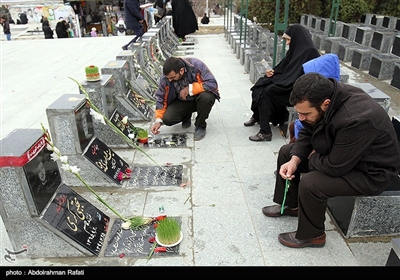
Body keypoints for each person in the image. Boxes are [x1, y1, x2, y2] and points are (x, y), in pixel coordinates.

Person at [262, 72, 400, 248]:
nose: (301, 118)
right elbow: (306, 129)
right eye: (299, 113)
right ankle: (291, 205)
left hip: (370, 171)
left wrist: (312, 157)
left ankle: (313, 235)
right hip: (343, 152)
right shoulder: (326, 98)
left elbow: (335, 167)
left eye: (305, 113)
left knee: (312, 183)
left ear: (325, 104)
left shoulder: (357, 118)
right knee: (287, 152)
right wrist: (295, 160)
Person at [244, 24, 320, 141]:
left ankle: (265, 132)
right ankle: (257, 116)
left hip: (298, 90)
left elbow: (298, 76)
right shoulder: (296, 50)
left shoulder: (310, 52)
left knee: (266, 91)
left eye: (289, 40)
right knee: (260, 85)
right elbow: (283, 68)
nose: (288, 43)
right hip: (289, 83)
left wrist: (278, 81)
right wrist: (272, 73)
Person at [150, 56, 220, 141]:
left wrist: (190, 89)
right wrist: (158, 120)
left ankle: (200, 125)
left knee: (206, 98)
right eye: (168, 78)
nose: (170, 80)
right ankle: (186, 115)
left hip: (200, 97)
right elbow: (161, 98)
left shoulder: (196, 65)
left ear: (181, 71)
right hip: (182, 100)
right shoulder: (166, 78)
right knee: (167, 119)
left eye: (172, 77)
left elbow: (212, 84)